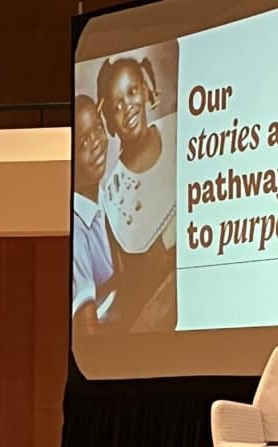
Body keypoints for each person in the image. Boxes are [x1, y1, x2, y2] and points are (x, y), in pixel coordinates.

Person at [96, 56, 177, 331]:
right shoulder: (113, 196)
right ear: (110, 121)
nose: (128, 107)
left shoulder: (179, 129)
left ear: (145, 90)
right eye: (117, 105)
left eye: (132, 92)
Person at [72, 94, 119, 335]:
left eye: (98, 128)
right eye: (83, 143)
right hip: (109, 332)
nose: (97, 142)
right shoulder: (77, 231)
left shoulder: (108, 193)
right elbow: (87, 325)